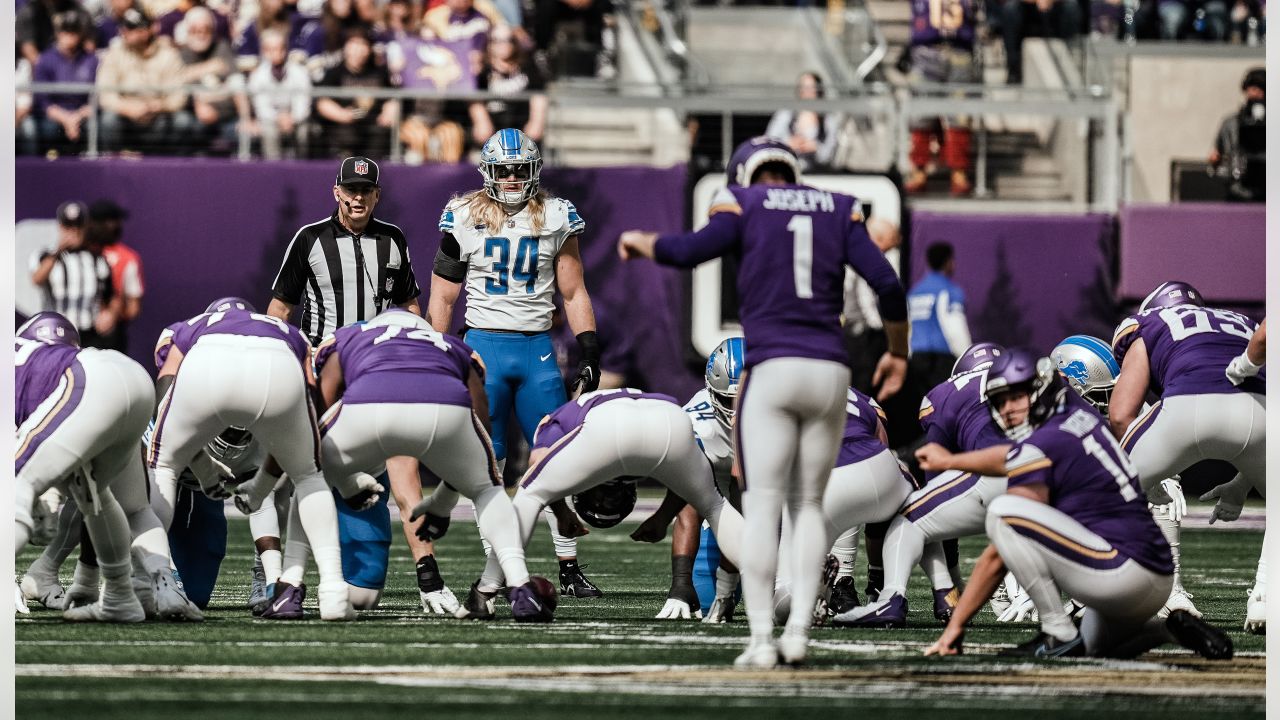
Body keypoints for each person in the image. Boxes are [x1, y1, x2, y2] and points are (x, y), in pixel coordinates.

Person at [618, 136, 910, 668]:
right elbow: (887, 284)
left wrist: (641, 242)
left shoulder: (743, 203)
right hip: (828, 368)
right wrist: (898, 352)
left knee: (763, 507)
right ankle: (798, 633)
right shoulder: (838, 207)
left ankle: (760, 639)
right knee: (809, 509)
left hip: (771, 364)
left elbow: (689, 251)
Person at [919, 349, 1233, 661]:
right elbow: (1008, 458)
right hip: (1153, 573)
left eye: (1015, 397)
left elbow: (998, 551)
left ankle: (1057, 630)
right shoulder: (1082, 420)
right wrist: (951, 460)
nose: (1008, 410)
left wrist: (955, 627)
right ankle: (1170, 630)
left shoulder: (1045, 441)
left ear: (1039, 389)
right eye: (1000, 402)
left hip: (1119, 571)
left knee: (1004, 514)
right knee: (1093, 646)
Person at [267, 157, 459, 616]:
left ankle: (427, 579)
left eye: (365, 190)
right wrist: (293, 363)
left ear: (377, 195)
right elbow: (279, 310)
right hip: (323, 371)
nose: (357, 197)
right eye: (349, 189)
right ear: (336, 191)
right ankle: (278, 576)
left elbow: (410, 308)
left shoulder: (392, 239)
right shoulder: (309, 239)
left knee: (397, 468)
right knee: (297, 466)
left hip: (380, 370)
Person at [427, 128, 606, 599]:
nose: (510, 178)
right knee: (492, 461)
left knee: (557, 455)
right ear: (488, 171)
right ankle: (502, 565)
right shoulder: (463, 215)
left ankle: (567, 566)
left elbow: (572, 291)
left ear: (533, 171)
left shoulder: (555, 214)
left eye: (518, 169)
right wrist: (439, 351)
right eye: (503, 169)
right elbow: (443, 295)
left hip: (537, 350)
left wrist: (589, 348)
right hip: (483, 347)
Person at [296, 308, 556, 620]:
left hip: (368, 405)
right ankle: (519, 585)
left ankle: (299, 584)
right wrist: (452, 493)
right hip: (446, 407)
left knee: (307, 472)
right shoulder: (452, 345)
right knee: (488, 488)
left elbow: (320, 403)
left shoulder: (349, 336)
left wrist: (335, 472)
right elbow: (481, 415)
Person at [439, 388, 745, 618]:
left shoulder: (554, 421)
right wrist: (662, 518)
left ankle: (489, 588)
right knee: (717, 507)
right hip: (672, 418)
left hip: (608, 424)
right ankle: (748, 587)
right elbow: (691, 493)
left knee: (528, 491)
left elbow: (536, 465)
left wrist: (560, 512)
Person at [148, 298, 356, 621]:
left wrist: (198, 465)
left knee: (161, 465)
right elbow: (310, 395)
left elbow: (165, 389)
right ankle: (330, 590)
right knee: (308, 475)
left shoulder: (186, 330)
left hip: (206, 365)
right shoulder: (289, 333)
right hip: (277, 368)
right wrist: (266, 483)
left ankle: (158, 577)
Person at [1109, 281, 1265, 615]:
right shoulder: (1243, 322)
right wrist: (1243, 483)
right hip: (1259, 410)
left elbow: (1121, 415)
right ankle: (1266, 596)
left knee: (1101, 490)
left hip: (1186, 404)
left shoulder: (1149, 322)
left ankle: (1094, 597)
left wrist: (1151, 479)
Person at [833, 343, 1005, 628]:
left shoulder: (943, 395)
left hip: (993, 476)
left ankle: (898, 595)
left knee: (914, 512)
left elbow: (936, 486)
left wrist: (952, 580)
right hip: (1040, 471)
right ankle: (1058, 618)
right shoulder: (1025, 381)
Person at [15, 312, 152, 623]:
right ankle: (119, 597)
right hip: (131, 377)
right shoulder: (41, 359)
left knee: (17, 482)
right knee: (94, 493)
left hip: (89, 383)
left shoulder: (31, 366)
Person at [96, 7, 194, 155]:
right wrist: (128, 107)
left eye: (133, 28)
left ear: (149, 30)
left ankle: (167, 164)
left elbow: (179, 97)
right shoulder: (115, 53)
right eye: (125, 28)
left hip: (158, 115)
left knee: (183, 121)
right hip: (126, 116)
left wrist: (160, 106)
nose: (126, 32)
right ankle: (115, 162)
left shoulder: (168, 55)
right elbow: (105, 94)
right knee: (109, 119)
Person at [904, 0, 978, 195]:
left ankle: (958, 171)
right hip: (926, 50)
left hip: (960, 51)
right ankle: (919, 169)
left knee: (959, 117)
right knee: (920, 116)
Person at [30, 201, 121, 350]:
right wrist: (58, 251)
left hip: (90, 334)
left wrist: (110, 314)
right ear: (60, 226)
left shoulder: (98, 259)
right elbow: (37, 279)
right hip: (55, 333)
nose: (73, 231)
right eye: (68, 226)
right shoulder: (46, 256)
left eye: (78, 226)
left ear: (85, 228)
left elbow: (113, 296)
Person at [313, 30, 398, 159]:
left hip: (374, 129)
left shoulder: (380, 73)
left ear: (369, 49)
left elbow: (393, 98)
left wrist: (390, 110)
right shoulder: (334, 73)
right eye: (353, 45)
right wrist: (342, 115)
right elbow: (322, 102)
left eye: (362, 45)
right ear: (345, 48)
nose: (357, 51)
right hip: (343, 129)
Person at [467, 24, 548, 146]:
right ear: (489, 44)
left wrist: (536, 122)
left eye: (508, 40)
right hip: (492, 132)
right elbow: (474, 97)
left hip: (522, 131)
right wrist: (481, 121)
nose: (503, 44)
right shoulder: (483, 71)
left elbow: (539, 95)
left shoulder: (528, 67)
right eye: (497, 41)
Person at [907, 242, 972, 392]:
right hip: (941, 362)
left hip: (916, 361)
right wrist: (968, 362)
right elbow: (955, 328)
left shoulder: (915, 292)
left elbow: (908, 328)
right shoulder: (948, 291)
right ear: (949, 262)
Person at [32, 11, 99, 157]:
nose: (70, 36)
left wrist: (76, 117)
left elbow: (96, 97)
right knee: (43, 128)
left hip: (82, 114)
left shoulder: (91, 60)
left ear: (81, 34)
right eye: (66, 31)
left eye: (74, 31)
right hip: (55, 115)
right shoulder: (45, 59)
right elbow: (42, 100)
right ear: (58, 32)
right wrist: (66, 119)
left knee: (100, 123)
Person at [176, 6, 239, 155]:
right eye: (195, 30)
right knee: (184, 124)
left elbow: (235, 86)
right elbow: (179, 84)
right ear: (188, 31)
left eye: (206, 29)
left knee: (241, 131)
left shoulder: (222, 47)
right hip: (195, 116)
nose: (201, 34)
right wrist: (210, 67)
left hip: (225, 114)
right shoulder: (182, 54)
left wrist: (208, 97)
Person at [242, 28, 312, 159]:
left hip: (294, 118)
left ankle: (301, 167)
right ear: (264, 51)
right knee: (269, 131)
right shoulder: (257, 76)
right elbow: (261, 107)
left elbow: (303, 103)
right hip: (271, 119)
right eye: (270, 49)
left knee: (303, 130)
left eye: (280, 48)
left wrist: (293, 118)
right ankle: (274, 169)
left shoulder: (299, 72)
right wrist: (279, 118)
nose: (276, 53)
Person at [86, 199, 143, 353]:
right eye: (114, 221)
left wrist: (112, 312)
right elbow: (132, 308)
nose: (118, 226)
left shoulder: (127, 257)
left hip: (107, 334)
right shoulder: (78, 254)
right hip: (90, 331)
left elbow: (133, 307)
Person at [764, 72, 841, 174]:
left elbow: (831, 154)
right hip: (786, 171)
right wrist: (788, 144)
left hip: (818, 173)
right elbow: (769, 142)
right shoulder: (786, 114)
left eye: (811, 87)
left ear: (819, 91)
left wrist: (815, 148)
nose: (807, 92)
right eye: (804, 87)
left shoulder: (828, 119)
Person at [1209, 67, 1265, 202]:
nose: (1255, 94)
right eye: (1252, 88)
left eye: (1260, 89)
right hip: (1238, 191)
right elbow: (1216, 156)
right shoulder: (1231, 123)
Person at [1000, 0, 1081, 85]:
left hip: (1056, 6)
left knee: (1071, 7)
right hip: (1027, 8)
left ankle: (1069, 62)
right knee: (1010, 9)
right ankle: (1014, 69)